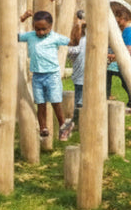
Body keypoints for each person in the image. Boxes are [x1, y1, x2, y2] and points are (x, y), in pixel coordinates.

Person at [18, 9, 82, 141]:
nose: (40, 32)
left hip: (52, 75)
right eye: (37, 29)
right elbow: (12, 35)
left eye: (44, 29)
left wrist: (78, 26)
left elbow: (73, 42)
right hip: (37, 75)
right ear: (33, 27)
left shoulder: (55, 37)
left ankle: (63, 125)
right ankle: (43, 128)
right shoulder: (30, 36)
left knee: (55, 101)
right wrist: (21, 19)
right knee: (40, 103)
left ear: (51, 26)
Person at [106, 3, 131, 111]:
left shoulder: (128, 30)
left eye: (118, 22)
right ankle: (106, 97)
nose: (118, 25)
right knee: (108, 76)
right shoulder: (126, 30)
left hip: (126, 62)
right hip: (119, 62)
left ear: (123, 18)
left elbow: (127, 50)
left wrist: (112, 56)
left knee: (126, 82)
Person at [63, 10, 86, 136]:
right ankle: (79, 120)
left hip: (81, 74)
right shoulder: (87, 38)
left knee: (79, 100)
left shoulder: (81, 40)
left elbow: (74, 51)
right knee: (81, 97)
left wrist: (63, 49)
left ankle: (77, 122)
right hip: (82, 73)